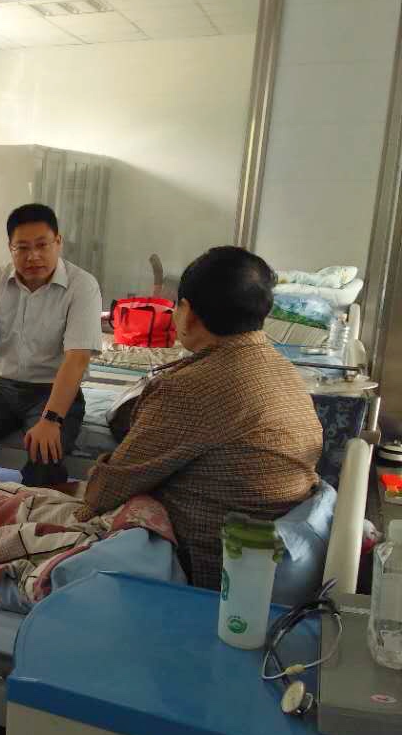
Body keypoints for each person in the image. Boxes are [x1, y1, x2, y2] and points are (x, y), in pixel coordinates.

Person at [83, 246, 322, 589]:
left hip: (202, 567)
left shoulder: (191, 388)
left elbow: (106, 490)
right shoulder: (283, 370)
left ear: (188, 312)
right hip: (269, 555)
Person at [0, 203, 102, 487]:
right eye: (22, 248)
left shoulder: (82, 286)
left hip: (51, 392)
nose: (33, 256)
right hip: (0, 388)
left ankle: (32, 516)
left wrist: (51, 420)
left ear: (58, 242)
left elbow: (77, 359)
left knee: (45, 460)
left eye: (42, 245)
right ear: (10, 248)